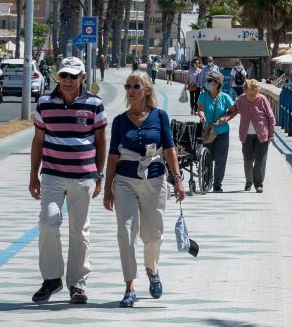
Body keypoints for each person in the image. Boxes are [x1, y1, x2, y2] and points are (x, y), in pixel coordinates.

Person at [104, 69, 186, 308]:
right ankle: (129, 286)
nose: (130, 91)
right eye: (128, 87)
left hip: (155, 180)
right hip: (125, 181)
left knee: (153, 236)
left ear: (147, 90)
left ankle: (152, 269)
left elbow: (169, 149)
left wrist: (178, 179)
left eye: (135, 87)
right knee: (126, 234)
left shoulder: (160, 116)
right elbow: (112, 156)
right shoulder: (119, 121)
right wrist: (108, 188)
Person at [29, 56, 106, 305]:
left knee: (79, 230)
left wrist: (99, 174)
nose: (68, 81)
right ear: (57, 77)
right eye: (64, 76)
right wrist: (33, 175)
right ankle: (52, 279)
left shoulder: (94, 104)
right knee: (48, 222)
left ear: (83, 77)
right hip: (52, 175)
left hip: (83, 176)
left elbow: (101, 141)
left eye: (73, 76)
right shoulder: (45, 103)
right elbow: (38, 141)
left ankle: (78, 284)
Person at [222, 77, 275, 192]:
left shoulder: (262, 99)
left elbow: (271, 117)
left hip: (262, 134)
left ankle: (258, 184)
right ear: (245, 92)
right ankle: (249, 182)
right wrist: (225, 118)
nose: (251, 97)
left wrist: (271, 134)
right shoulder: (241, 99)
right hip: (246, 135)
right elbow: (234, 110)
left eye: (253, 94)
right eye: (249, 94)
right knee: (248, 160)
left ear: (258, 92)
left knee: (260, 160)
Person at [196, 69, 234, 193]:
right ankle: (207, 180)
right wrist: (202, 116)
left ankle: (217, 184)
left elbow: (233, 110)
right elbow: (200, 109)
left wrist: (226, 118)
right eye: (207, 80)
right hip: (208, 130)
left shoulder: (225, 97)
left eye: (210, 81)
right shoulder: (203, 95)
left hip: (222, 131)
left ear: (217, 83)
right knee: (207, 157)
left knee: (221, 158)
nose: (207, 82)